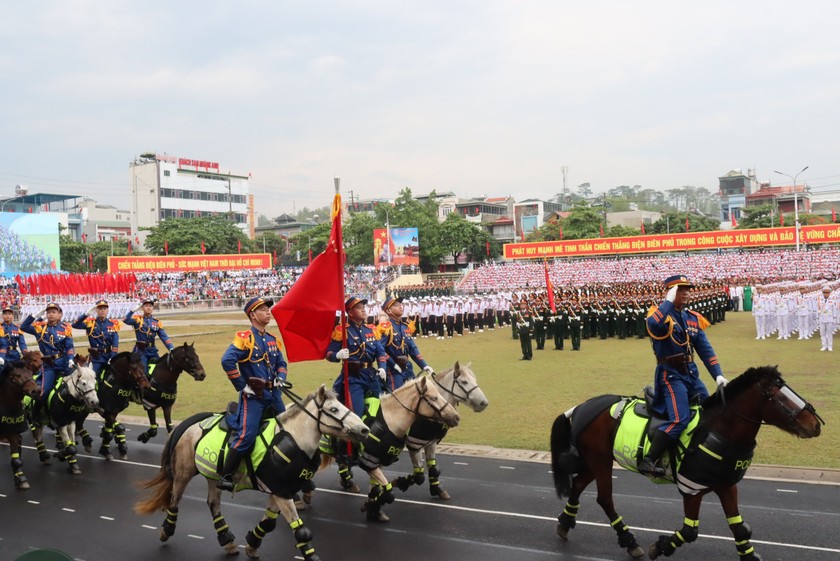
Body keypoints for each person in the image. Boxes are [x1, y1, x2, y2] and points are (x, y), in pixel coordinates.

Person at [640, 274, 727, 478]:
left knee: (712, 412)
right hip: (670, 375)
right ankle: (649, 460)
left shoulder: (691, 318)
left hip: (690, 374)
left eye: (688, 289)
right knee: (680, 419)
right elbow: (654, 325)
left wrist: (718, 376)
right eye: (681, 289)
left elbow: (705, 350)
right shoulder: (660, 315)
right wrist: (667, 302)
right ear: (671, 292)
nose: (687, 292)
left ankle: (699, 453)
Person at [217, 297, 288, 491]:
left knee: (287, 430)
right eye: (263, 309)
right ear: (252, 315)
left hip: (274, 395)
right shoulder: (245, 338)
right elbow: (227, 361)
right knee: (246, 437)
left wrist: (281, 377)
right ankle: (226, 475)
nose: (268, 312)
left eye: (268, 309)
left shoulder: (273, 340)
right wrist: (242, 386)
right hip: (254, 398)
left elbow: (281, 363)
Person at [325, 297, 388, 416]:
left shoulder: (371, 329)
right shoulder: (342, 330)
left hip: (371, 375)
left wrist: (382, 367)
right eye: (359, 308)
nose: (363, 310)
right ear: (350, 312)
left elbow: (380, 352)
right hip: (353, 377)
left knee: (380, 409)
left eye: (363, 307)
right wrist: (337, 355)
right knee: (356, 413)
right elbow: (328, 354)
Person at [20, 302, 76, 402]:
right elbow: (23, 327)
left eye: (54, 312)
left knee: (79, 387)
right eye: (49, 312)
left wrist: (71, 359)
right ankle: (36, 413)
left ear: (60, 314)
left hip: (64, 362)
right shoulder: (40, 328)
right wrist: (34, 316)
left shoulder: (65, 329)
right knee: (43, 391)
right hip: (50, 365)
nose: (51, 314)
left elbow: (69, 347)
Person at [379, 296, 434, 390]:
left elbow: (412, 348)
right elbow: (380, 350)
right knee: (397, 397)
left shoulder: (405, 327)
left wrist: (424, 365)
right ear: (388, 311)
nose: (400, 306)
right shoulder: (386, 327)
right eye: (396, 305)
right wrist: (393, 364)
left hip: (407, 368)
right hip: (393, 371)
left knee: (417, 393)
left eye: (401, 304)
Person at [72, 299, 120, 380]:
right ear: (96, 310)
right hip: (96, 358)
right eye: (100, 309)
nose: (102, 311)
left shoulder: (113, 324)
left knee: (116, 377)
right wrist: (86, 314)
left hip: (109, 356)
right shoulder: (90, 323)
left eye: (104, 309)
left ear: (108, 310)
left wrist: (113, 356)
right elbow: (75, 325)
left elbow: (115, 343)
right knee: (91, 377)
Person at [123, 298, 174, 372]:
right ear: (142, 308)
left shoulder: (156, 322)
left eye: (150, 306)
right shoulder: (138, 320)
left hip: (152, 350)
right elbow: (125, 320)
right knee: (143, 371)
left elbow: (164, 337)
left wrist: (171, 348)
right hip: (141, 350)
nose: (148, 307)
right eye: (146, 306)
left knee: (160, 369)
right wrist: (133, 310)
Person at [0, 305, 27, 375]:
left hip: (14, 355)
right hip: (2, 356)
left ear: (12, 316)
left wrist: (26, 354)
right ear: (2, 316)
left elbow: (22, 344)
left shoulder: (17, 328)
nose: (7, 316)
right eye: (5, 314)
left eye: (9, 314)